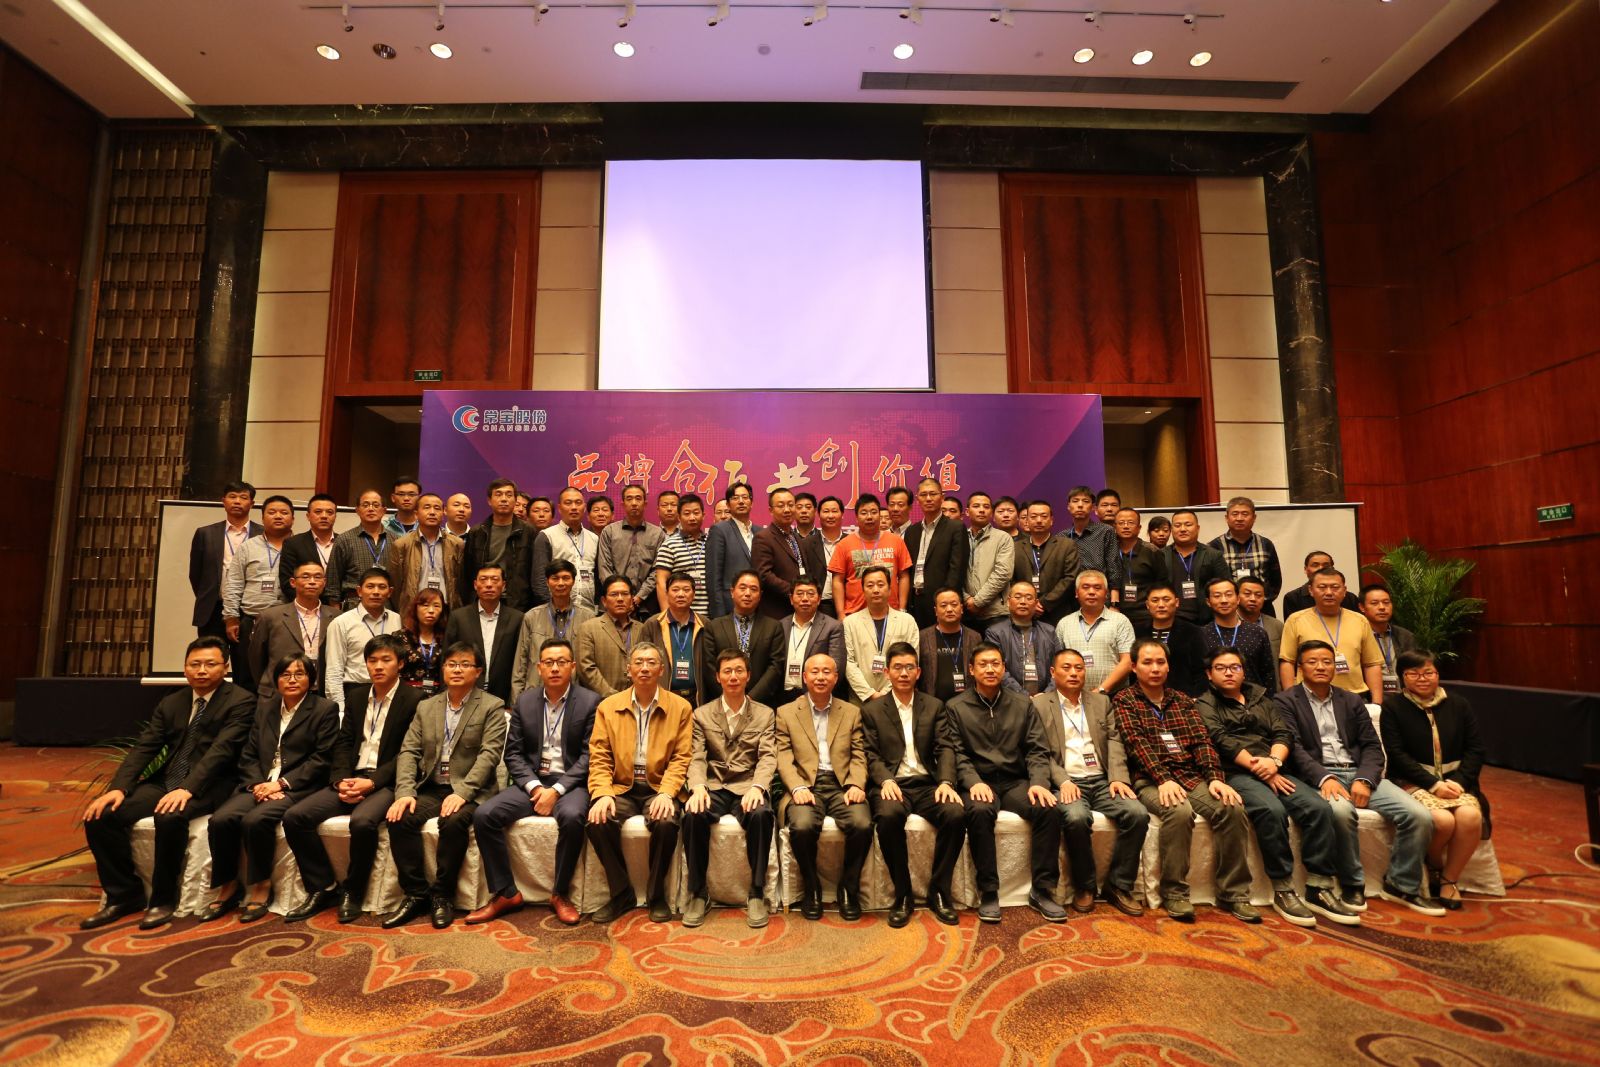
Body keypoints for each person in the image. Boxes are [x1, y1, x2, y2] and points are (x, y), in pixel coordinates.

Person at [80, 637, 254, 930]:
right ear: (185, 668)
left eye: (210, 664)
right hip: (168, 780)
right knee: (101, 816)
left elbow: (221, 752)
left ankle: (162, 900)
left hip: (213, 784)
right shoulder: (173, 702)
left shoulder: (241, 701)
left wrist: (188, 788)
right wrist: (119, 788)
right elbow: (144, 747)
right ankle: (125, 895)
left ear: (225, 667)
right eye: (194, 664)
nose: (201, 670)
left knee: (170, 815)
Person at [1274, 641, 1445, 915]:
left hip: (1358, 771)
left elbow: (1372, 746)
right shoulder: (1285, 701)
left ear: (1335, 666)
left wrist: (1364, 779)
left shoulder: (1351, 700)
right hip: (1317, 775)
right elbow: (1293, 748)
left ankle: (1401, 883)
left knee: (1419, 815)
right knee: (1341, 813)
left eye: (1327, 661)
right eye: (1312, 662)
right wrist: (1324, 777)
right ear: (1300, 668)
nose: (1321, 667)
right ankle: (1352, 882)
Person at [1195, 648, 1359, 927]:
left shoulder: (1261, 697)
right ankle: (1283, 888)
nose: (1229, 673)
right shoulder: (1205, 703)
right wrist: (1261, 769)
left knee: (1318, 808)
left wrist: (1273, 762)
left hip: (1275, 766)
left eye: (1235, 667)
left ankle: (1318, 886)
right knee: (1271, 810)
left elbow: (1283, 733)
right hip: (1236, 773)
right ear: (1210, 674)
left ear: (1243, 671)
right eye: (1221, 668)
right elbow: (1221, 740)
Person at [281, 634, 425, 923]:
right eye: (372, 660)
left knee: (362, 822)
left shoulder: (416, 700)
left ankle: (353, 891)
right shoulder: (357, 696)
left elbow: (410, 752)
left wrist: (373, 782)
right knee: (296, 817)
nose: (378, 666)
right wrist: (340, 780)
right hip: (352, 777)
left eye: (386, 660)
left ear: (400, 664)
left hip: (387, 781)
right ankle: (322, 887)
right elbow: (344, 742)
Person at [1112, 639, 1256, 924]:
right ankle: (1174, 892)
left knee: (1231, 807)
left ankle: (1234, 893)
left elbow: (1202, 742)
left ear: (1168, 666)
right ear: (1134, 667)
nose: (1155, 668)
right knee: (1178, 811)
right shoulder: (1124, 700)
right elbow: (1136, 744)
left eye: (1160, 662)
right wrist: (1163, 779)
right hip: (1150, 779)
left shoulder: (1182, 700)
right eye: (1147, 663)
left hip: (1190, 776)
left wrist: (1215, 778)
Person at [467, 637, 600, 927]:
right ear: (539, 668)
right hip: (533, 782)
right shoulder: (525, 701)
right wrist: (536, 787)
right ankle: (506, 893)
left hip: (570, 784)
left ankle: (560, 894)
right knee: (485, 815)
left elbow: (590, 755)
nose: (555, 668)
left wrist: (556, 791)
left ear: (573, 666)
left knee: (573, 817)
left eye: (561, 662)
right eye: (549, 662)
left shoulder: (590, 702)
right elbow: (513, 753)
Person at [200, 653, 339, 923]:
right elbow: (249, 753)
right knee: (221, 819)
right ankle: (228, 886)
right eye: (285, 674)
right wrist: (258, 784)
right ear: (276, 681)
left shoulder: (324, 709)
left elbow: (321, 759)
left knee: (256, 820)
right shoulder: (265, 708)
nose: (292, 680)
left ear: (311, 680)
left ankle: (261, 886)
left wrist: (281, 783)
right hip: (260, 783)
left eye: (299, 674)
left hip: (296, 787)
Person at [382, 642, 509, 929]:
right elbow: (409, 751)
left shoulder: (492, 706)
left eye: (465, 664)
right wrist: (404, 792)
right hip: (432, 786)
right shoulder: (427, 706)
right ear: (443, 669)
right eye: (451, 664)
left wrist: (463, 792)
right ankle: (416, 894)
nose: (457, 670)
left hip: (472, 790)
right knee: (399, 818)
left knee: (452, 822)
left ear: (478, 671)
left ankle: (442, 895)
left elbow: (490, 755)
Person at [940, 642, 1067, 923]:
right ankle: (989, 890)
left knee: (1048, 808)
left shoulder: (1022, 703)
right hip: (978, 782)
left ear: (1004, 667)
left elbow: (1037, 749)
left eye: (995, 663)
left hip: (1015, 781)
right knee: (979, 810)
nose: (990, 669)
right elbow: (956, 752)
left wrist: (1038, 783)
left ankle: (1042, 890)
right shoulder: (955, 707)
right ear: (971, 670)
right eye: (983, 664)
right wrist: (973, 781)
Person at [1031, 648, 1148, 917]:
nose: (1074, 673)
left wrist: (1118, 778)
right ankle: (1085, 886)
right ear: (1053, 672)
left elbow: (1115, 741)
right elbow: (1038, 750)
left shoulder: (1101, 702)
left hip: (1103, 779)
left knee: (1137, 814)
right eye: (1067, 668)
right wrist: (1062, 781)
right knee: (1075, 817)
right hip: (1067, 781)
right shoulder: (1039, 705)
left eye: (1079, 668)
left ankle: (1119, 885)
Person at [585, 642, 694, 924]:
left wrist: (667, 793)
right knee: (597, 821)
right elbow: (599, 755)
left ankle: (656, 895)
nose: (644, 668)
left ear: (661, 669)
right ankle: (621, 893)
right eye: (639, 662)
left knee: (666, 822)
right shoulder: (608, 707)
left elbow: (682, 757)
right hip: (621, 788)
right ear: (629, 669)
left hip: (658, 787)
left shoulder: (680, 707)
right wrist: (602, 793)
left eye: (651, 662)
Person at [859, 642, 966, 926]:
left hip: (928, 783)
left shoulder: (934, 706)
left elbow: (945, 747)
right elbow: (870, 753)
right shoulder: (872, 710)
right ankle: (903, 894)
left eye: (909, 667)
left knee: (955, 814)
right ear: (887, 672)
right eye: (897, 668)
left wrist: (946, 781)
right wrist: (885, 779)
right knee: (888, 816)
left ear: (918, 672)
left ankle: (939, 891)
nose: (904, 673)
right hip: (893, 784)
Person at [1382, 650, 1489, 910]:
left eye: (1428, 672)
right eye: (1414, 674)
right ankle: (1434, 865)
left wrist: (1460, 782)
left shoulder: (1459, 705)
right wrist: (1433, 784)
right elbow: (1396, 754)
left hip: (1455, 782)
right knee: (1442, 821)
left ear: (1437, 674)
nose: (1422, 679)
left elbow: (1475, 749)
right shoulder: (1393, 707)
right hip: (1412, 780)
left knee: (1470, 817)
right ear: (1402, 677)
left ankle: (1449, 880)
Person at [681, 649, 778, 929]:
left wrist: (758, 787)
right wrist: (697, 787)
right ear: (718, 677)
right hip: (713, 785)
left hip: (747, 785)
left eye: (739, 671)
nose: (733, 676)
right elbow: (696, 756)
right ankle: (698, 893)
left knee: (761, 814)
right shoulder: (701, 714)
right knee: (692, 815)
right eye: (727, 671)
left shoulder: (764, 714)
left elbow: (768, 757)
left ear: (748, 676)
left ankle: (756, 892)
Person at [777, 653, 871, 920]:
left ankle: (848, 889)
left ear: (836, 678)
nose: (820, 677)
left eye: (827, 672)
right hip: (806, 785)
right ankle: (812, 887)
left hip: (842, 785)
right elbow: (783, 755)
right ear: (804, 677)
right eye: (815, 672)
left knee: (862, 824)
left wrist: (856, 783)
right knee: (802, 826)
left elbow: (859, 754)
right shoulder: (786, 712)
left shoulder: (851, 712)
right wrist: (796, 787)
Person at [221, 495, 295, 694]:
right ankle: (247, 712)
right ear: (262, 518)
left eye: (284, 512)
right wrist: (231, 618)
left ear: (293, 518)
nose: (278, 516)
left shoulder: (300, 546)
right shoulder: (248, 547)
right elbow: (234, 583)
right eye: (272, 512)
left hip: (289, 623)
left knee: (286, 673)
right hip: (252, 619)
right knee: (247, 675)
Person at [1279, 567, 1384, 697]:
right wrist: (1291, 699)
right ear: (1311, 590)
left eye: (1335, 587)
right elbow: (1288, 662)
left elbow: (1371, 664)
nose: (1329, 592)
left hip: (1354, 695)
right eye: (1322, 587)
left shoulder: (1360, 620)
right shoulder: (1295, 620)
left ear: (1344, 591)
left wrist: (1377, 702)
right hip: (1309, 697)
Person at [248, 560, 340, 701]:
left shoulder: (337, 617)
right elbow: (256, 659)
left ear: (324, 582)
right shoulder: (270, 616)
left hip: (321, 695)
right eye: (305, 576)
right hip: (277, 695)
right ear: (293, 582)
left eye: (317, 577)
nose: (312, 582)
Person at [511, 559, 595, 702]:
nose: (560, 583)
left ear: (573, 581)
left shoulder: (588, 618)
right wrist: (517, 703)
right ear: (547, 582)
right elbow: (520, 664)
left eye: (566, 578)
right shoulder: (531, 617)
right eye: (555, 578)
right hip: (536, 695)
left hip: (576, 697)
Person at [698, 570, 786, 705]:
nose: (747, 593)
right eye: (743, 588)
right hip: (722, 703)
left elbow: (775, 667)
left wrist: (751, 698)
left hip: (761, 704)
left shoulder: (773, 627)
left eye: (753, 589)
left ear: (760, 595)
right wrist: (728, 697)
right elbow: (709, 667)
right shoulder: (714, 626)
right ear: (732, 592)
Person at [190, 481, 260, 649]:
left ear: (252, 503)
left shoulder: (263, 534)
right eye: (232, 496)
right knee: (211, 657)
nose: (237, 501)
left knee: (244, 661)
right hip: (213, 609)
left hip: (249, 610)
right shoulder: (205, 533)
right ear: (223, 501)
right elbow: (195, 574)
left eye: (243, 497)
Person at [443, 562, 526, 704]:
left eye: (494, 580)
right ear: (475, 585)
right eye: (483, 579)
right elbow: (446, 658)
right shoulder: (459, 617)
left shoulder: (517, 618)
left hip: (503, 696)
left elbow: (520, 662)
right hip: (464, 693)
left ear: (504, 585)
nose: (489, 584)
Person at [324, 567, 401, 714]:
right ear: (359, 591)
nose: (376, 592)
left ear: (390, 592)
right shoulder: (341, 623)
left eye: (382, 587)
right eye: (370, 586)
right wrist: (340, 711)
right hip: (355, 691)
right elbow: (334, 671)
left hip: (391, 692)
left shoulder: (397, 619)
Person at [843, 565, 920, 703]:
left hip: (898, 697)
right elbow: (849, 663)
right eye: (870, 585)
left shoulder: (907, 621)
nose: (876, 590)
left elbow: (912, 660)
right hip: (860, 700)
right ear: (863, 590)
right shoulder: (850, 623)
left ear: (890, 589)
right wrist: (869, 694)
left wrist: (887, 693)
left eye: (880, 584)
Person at [829, 493, 912, 617]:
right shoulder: (844, 544)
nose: (869, 517)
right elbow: (837, 581)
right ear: (856, 518)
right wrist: (841, 614)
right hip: (855, 614)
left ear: (880, 515)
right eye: (864, 513)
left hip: (891, 613)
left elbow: (904, 576)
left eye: (873, 512)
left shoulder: (896, 541)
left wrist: (902, 609)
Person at [458, 479, 535, 613]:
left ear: (515, 500)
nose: (504, 499)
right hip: (482, 601)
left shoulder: (528, 532)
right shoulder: (477, 532)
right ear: (489, 500)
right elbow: (467, 573)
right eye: (498, 494)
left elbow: (533, 572)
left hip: (517, 603)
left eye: (509, 495)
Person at [903, 477, 970, 628]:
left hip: (942, 602)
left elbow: (957, 569)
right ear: (917, 499)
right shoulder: (911, 531)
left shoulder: (955, 528)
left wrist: (945, 600)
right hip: (915, 601)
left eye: (933, 494)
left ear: (942, 497)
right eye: (923, 494)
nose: (928, 498)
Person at [1055, 570, 1135, 696]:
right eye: (1085, 587)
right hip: (1073, 696)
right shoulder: (1064, 624)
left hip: (1113, 696)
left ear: (1106, 593)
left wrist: (1101, 690)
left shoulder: (1120, 621)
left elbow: (1128, 661)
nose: (1091, 592)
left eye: (1097, 588)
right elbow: (1058, 663)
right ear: (1076, 593)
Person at [752, 488, 827, 620]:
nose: (787, 510)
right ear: (771, 510)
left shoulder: (794, 536)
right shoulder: (763, 537)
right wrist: (793, 591)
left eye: (791, 505)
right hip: (777, 610)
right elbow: (763, 575)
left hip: (800, 608)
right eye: (781, 505)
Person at [387, 492, 463, 619]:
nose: (432, 512)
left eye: (437, 508)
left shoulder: (457, 544)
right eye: (427, 507)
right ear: (416, 514)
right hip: (413, 613)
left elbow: (461, 583)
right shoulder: (401, 545)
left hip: (447, 612)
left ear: (443, 513)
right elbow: (395, 585)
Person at [597, 484, 665, 619]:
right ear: (622, 504)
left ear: (645, 503)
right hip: (613, 605)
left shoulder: (657, 534)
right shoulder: (609, 532)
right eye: (629, 499)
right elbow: (604, 568)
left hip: (646, 606)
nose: (634, 503)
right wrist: (619, 595)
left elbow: (657, 571)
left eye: (638, 498)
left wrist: (639, 597)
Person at [1199, 577, 1277, 693]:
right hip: (1212, 700)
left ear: (1238, 599)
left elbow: (1268, 674)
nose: (1224, 600)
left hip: (1253, 699)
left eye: (1229, 595)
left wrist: (1269, 701)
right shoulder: (1200, 635)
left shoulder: (1257, 632)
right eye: (1217, 596)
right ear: (1208, 602)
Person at [778, 577, 846, 706]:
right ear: (791, 599)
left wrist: (813, 695)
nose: (805, 598)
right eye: (799, 594)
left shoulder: (832, 627)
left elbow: (836, 667)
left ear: (819, 599)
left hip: (816, 697)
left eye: (810, 594)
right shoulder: (780, 625)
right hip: (781, 696)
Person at [1208, 497, 1283, 613]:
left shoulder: (1265, 544)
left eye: (1245, 514)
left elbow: (1275, 580)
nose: (1239, 518)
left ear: (1254, 518)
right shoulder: (1214, 546)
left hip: (1262, 608)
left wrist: (1263, 600)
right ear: (1227, 518)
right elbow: (1210, 581)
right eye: (1235, 514)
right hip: (1228, 610)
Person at [643, 571, 707, 706]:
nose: (681, 594)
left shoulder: (705, 624)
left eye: (686, 590)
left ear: (693, 595)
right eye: (675, 590)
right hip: (663, 697)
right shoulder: (653, 624)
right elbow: (642, 661)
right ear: (666, 594)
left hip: (697, 697)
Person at [575, 574, 644, 698]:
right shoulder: (588, 628)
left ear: (631, 599)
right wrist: (611, 696)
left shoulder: (642, 629)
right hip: (600, 702)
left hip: (637, 700)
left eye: (625, 594)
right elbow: (586, 668)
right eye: (614, 594)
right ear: (604, 601)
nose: (620, 599)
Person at [531, 487, 600, 611]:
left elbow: (597, 577)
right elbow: (539, 579)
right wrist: (552, 610)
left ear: (584, 507)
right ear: (559, 508)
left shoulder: (594, 538)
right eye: (568, 503)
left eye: (578, 503)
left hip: (588, 610)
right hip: (557, 610)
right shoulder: (546, 536)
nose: (574, 507)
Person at [1136, 583, 1208, 698]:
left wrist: (1196, 699)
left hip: (1184, 698)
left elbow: (1201, 671)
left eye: (1166, 600)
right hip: (1143, 698)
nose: (1161, 605)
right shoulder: (1137, 632)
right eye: (1155, 600)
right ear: (1147, 605)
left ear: (1177, 602)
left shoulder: (1192, 632)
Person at [1012, 500, 1078, 625]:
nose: (1039, 520)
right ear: (1027, 521)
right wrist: (1028, 602)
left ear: (1051, 520)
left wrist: (1044, 603)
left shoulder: (1067, 545)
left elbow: (1070, 578)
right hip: (1024, 611)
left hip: (1058, 612)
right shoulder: (1015, 547)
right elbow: (1011, 579)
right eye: (1033, 516)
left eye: (1043, 516)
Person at [1160, 510, 1228, 625]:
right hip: (1170, 620)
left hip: (1206, 621)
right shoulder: (1160, 556)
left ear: (1197, 528)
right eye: (1177, 525)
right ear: (1171, 529)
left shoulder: (1213, 555)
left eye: (1188, 524)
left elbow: (1225, 587)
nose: (1182, 529)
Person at [328, 489, 391, 610]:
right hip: (354, 605)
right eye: (365, 505)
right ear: (357, 510)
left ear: (384, 510)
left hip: (387, 605)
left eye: (376, 505)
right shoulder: (344, 540)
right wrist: (335, 612)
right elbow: (333, 582)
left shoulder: (396, 540)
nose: (371, 509)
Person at [705, 483, 761, 618]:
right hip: (729, 607)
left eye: (745, 497)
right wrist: (719, 615)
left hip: (758, 608)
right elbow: (713, 577)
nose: (741, 501)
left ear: (752, 503)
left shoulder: (760, 532)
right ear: (728, 505)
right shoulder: (719, 530)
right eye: (735, 498)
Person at [1061, 487, 1119, 613]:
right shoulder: (1062, 537)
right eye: (1075, 501)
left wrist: (1114, 602)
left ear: (1093, 507)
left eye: (1085, 501)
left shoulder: (1105, 531)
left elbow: (1113, 565)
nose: (1080, 505)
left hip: (1099, 594)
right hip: (1070, 597)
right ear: (1068, 507)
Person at [961, 491, 1014, 630]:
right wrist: (966, 599)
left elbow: (1003, 573)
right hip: (965, 611)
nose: (981, 510)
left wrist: (978, 601)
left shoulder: (1003, 538)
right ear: (967, 511)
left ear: (991, 512)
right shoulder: (959, 537)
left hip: (995, 613)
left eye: (986, 507)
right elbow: (953, 572)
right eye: (976, 506)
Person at [918, 587, 981, 702]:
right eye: (943, 605)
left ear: (961, 608)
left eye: (954, 604)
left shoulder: (975, 637)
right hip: (933, 703)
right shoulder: (922, 637)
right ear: (936, 611)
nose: (949, 609)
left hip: (968, 704)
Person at [652, 493, 711, 617]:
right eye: (687, 513)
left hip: (710, 615)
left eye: (696, 513)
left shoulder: (712, 542)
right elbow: (661, 583)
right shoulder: (669, 545)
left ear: (703, 515)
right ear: (679, 517)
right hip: (680, 616)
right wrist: (667, 617)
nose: (692, 517)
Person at [277, 492, 339, 604]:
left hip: (338, 606)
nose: (324, 516)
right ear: (308, 516)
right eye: (318, 512)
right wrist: (310, 602)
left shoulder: (344, 542)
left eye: (329, 512)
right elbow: (287, 581)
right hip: (304, 605)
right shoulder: (293, 543)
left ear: (335, 516)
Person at [1360, 584, 1417, 696]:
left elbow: (1415, 667)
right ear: (1362, 607)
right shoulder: (1358, 636)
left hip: (1404, 696)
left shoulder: (1405, 635)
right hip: (1370, 697)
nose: (1382, 607)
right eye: (1374, 603)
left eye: (1386, 602)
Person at [1111, 507, 1163, 628]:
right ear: (1114, 527)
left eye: (1130, 523)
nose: (1126, 526)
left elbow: (1161, 582)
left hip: (1145, 614)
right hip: (1114, 612)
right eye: (1121, 523)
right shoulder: (1109, 550)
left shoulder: (1152, 551)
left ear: (1139, 528)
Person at [398, 586, 449, 696]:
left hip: (439, 696)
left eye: (436, 606)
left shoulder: (447, 637)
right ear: (415, 608)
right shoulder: (401, 637)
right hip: (407, 696)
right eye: (425, 605)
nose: (431, 610)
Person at [1282, 551, 1359, 616]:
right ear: (1306, 569)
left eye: (1326, 565)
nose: (1320, 568)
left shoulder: (1350, 598)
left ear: (1332, 568)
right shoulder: (1293, 598)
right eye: (1315, 565)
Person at [815, 495, 847, 616]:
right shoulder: (806, 544)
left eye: (834, 511)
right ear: (819, 515)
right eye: (826, 511)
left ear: (842, 514)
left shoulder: (851, 541)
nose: (830, 515)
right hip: (819, 605)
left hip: (848, 603)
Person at [1237, 576, 1284, 654]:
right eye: (1247, 594)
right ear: (1237, 597)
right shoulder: (1227, 623)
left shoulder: (1276, 626)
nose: (1253, 599)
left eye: (1258, 595)